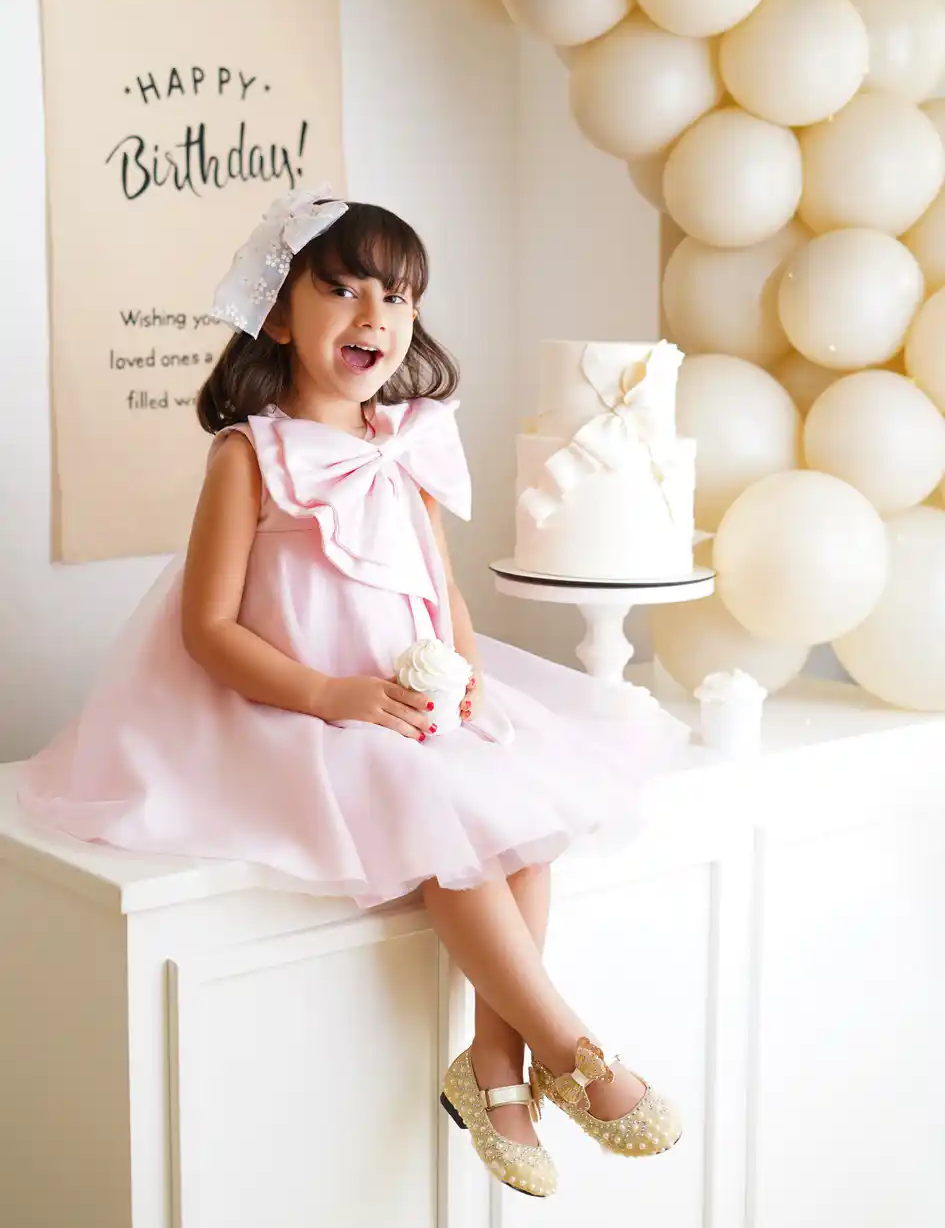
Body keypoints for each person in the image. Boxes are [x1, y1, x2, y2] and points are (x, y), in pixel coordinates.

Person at [20, 186, 686, 1197]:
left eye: (399, 295)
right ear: (280, 314)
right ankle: (571, 1047)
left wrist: (465, 674)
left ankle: (493, 1064)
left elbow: (439, 584)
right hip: (297, 701)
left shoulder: (407, 442)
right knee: (431, 806)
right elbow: (208, 630)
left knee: (522, 810)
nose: (376, 312)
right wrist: (332, 695)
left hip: (412, 694)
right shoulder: (250, 455)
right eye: (343, 288)